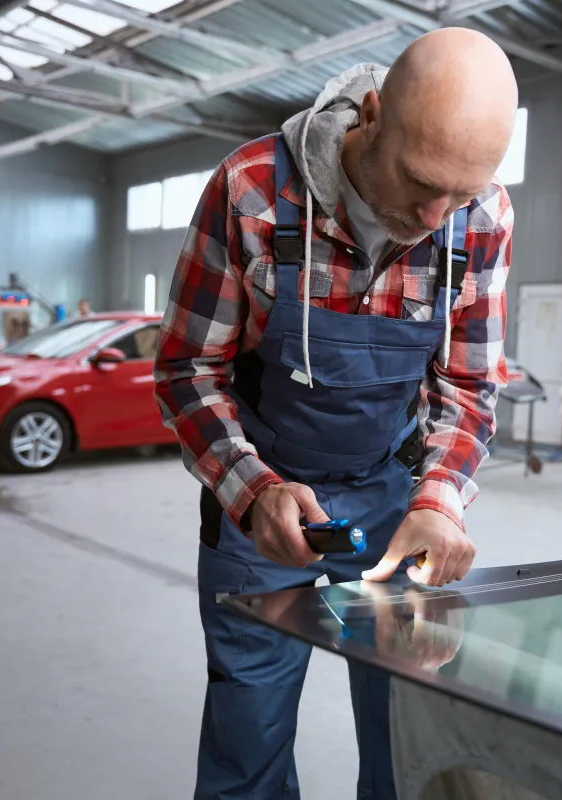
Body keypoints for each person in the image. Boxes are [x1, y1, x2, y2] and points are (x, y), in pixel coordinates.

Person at [154, 27, 517, 800]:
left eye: (463, 190)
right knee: (245, 744)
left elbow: (470, 386)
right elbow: (188, 369)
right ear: (374, 114)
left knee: (407, 740)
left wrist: (440, 501)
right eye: (420, 178)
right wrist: (252, 491)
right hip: (263, 508)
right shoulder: (251, 190)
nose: (434, 211)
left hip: (396, 503)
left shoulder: (480, 216)